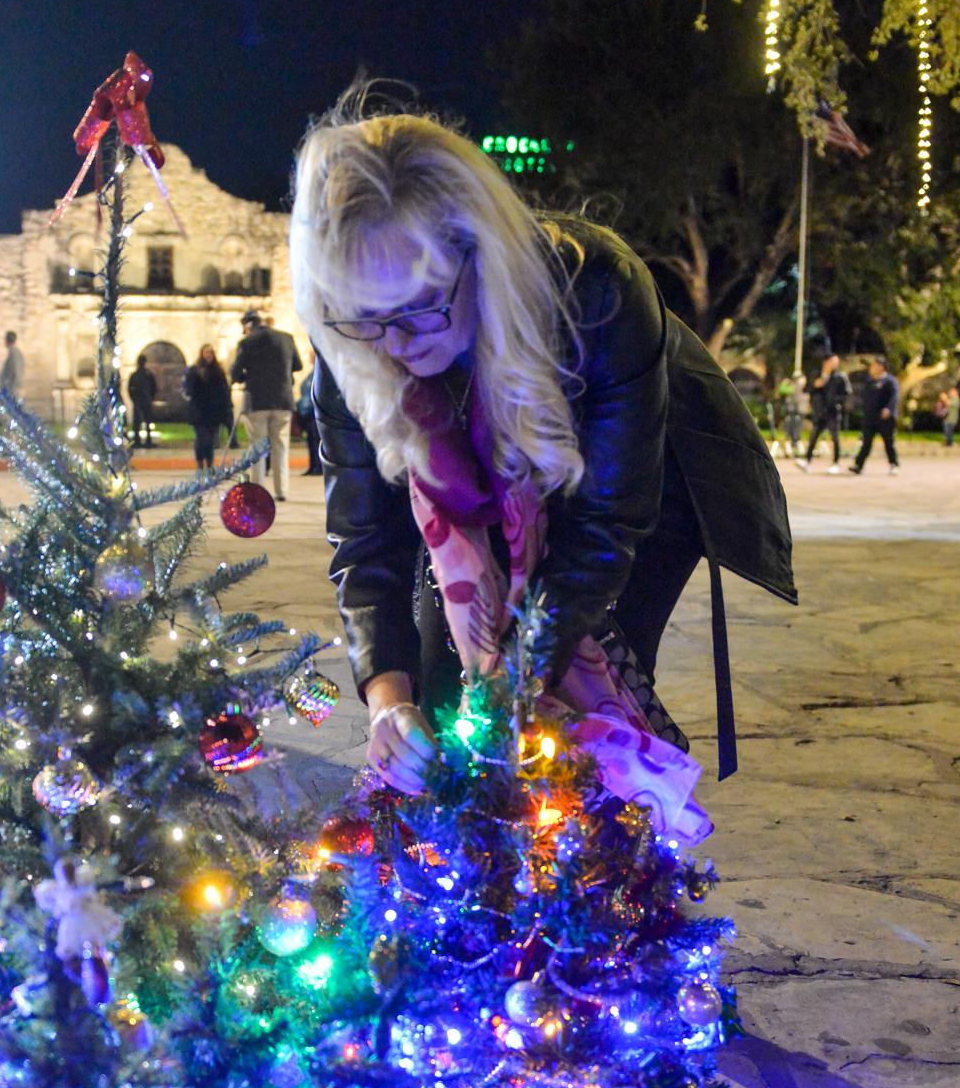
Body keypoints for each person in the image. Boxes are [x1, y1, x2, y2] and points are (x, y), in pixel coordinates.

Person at [290, 101, 795, 794]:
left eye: (420, 306)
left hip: (635, 485)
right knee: (443, 694)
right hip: (469, 498)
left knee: (573, 705)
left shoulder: (598, 293)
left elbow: (603, 528)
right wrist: (387, 702)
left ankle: (603, 844)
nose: (395, 344)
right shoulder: (349, 332)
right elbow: (365, 538)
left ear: (480, 256)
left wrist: (514, 685)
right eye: (364, 319)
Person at [231, 308, 302, 500]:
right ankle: (282, 491)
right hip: (283, 399)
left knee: (257, 447)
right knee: (281, 446)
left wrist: (247, 375)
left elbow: (235, 373)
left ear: (247, 327)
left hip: (257, 400)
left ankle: (258, 490)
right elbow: (298, 365)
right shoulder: (286, 338)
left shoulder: (247, 342)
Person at [181, 343, 233, 472]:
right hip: (199, 410)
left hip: (213, 411)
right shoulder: (195, 371)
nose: (209, 355)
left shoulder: (218, 371)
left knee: (211, 439)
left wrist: (226, 406)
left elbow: (223, 390)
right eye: (206, 352)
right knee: (201, 438)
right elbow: (190, 389)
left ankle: (209, 463)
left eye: (210, 352)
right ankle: (200, 463)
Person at [797, 353, 851, 472]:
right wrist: (814, 385)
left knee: (835, 437)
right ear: (825, 363)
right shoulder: (816, 375)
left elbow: (847, 393)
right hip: (819, 411)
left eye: (836, 362)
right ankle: (807, 461)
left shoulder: (840, 377)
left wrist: (836, 402)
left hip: (833, 411)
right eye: (833, 362)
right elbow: (806, 389)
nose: (835, 365)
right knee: (814, 436)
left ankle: (835, 463)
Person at [848, 355, 900, 475]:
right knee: (866, 442)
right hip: (870, 417)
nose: (872, 368)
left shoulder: (890, 381)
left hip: (885, 418)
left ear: (881, 367)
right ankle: (858, 465)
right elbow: (866, 399)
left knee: (888, 442)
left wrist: (888, 409)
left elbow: (894, 397)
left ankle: (894, 464)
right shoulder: (870, 381)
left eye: (875, 366)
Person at [296, 361, 323, 474]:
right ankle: (313, 466)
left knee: (315, 440)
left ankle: (317, 466)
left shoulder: (318, 372)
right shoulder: (314, 372)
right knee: (312, 440)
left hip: (314, 411)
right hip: (311, 411)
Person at [126, 352, 157, 448]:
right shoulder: (145, 374)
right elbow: (153, 388)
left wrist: (134, 398)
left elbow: (153, 387)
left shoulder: (138, 375)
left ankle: (139, 440)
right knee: (143, 421)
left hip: (141, 400)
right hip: (142, 400)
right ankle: (144, 441)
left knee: (140, 422)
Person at [779, 371, 809, 458]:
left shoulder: (802, 387)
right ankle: (791, 445)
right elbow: (782, 389)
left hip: (800, 411)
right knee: (790, 428)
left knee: (797, 428)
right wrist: (785, 383)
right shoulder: (793, 386)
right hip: (792, 411)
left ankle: (795, 444)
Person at [0, 330, 25, 397]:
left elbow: (15, 370)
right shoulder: (13, 352)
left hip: (11, 389)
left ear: (6, 340)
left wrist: (10, 388)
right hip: (10, 388)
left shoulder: (14, 352)